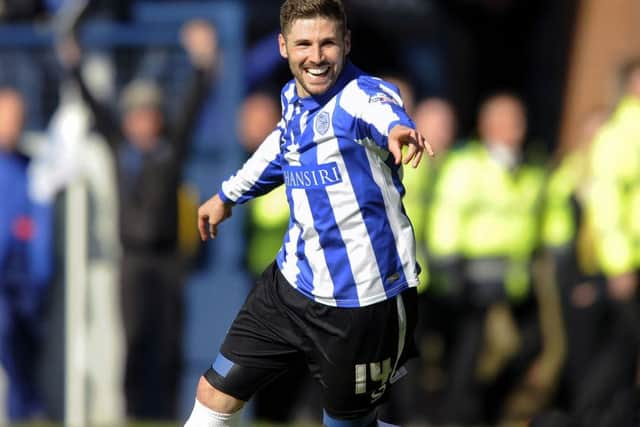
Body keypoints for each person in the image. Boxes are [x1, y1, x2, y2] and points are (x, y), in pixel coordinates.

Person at [187, 1, 433, 426]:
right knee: (214, 392)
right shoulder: (291, 99)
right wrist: (227, 195)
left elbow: (383, 112)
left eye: (327, 43)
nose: (315, 56)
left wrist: (397, 129)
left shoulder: (362, 96)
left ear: (346, 43)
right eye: (304, 44)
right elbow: (282, 146)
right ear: (284, 46)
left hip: (362, 302)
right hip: (291, 285)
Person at [57, 20, 218, 420]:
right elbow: (93, 102)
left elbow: (192, 108)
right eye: (136, 116)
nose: (143, 123)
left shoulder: (169, 152)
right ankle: (133, 413)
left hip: (167, 260)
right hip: (132, 260)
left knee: (168, 343)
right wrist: (74, 64)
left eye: (149, 115)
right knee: (135, 340)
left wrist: (202, 63)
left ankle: (166, 413)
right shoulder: (119, 149)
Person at [428, 93, 562, 424]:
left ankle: (482, 411)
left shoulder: (530, 168)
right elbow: (448, 217)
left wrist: (559, 247)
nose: (521, 127)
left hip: (515, 281)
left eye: (521, 119)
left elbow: (542, 217)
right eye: (512, 120)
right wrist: (450, 267)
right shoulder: (468, 166)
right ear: (490, 126)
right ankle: (455, 417)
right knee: (468, 357)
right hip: (474, 280)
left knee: (529, 346)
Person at [581, 58, 640, 426]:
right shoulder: (620, 133)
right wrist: (618, 264)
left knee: (622, 349)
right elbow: (605, 202)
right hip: (629, 262)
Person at [0, 87, 53, 422]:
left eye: (17, 118)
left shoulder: (33, 168)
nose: (12, 125)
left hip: (25, 286)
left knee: (24, 349)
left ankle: (26, 411)